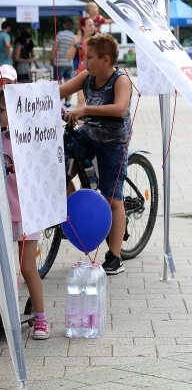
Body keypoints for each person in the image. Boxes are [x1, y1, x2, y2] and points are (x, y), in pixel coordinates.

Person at [59, 34, 131, 275]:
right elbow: (59, 91)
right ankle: (77, 214)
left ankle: (115, 256)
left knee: (113, 199)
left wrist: (85, 109)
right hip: (89, 135)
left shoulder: (120, 80)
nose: (84, 61)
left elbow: (119, 108)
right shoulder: (87, 77)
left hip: (113, 144)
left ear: (106, 59)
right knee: (59, 172)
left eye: (89, 57)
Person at [0, 87, 50, 339]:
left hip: (27, 213)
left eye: (2, 110)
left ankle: (41, 319)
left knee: (27, 268)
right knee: (2, 269)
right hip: (2, 213)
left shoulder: (30, 140)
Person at [66, 16, 96, 107]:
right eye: (90, 25)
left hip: (95, 73)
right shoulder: (77, 40)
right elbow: (69, 57)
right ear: (83, 27)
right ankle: (80, 116)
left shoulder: (97, 39)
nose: (92, 27)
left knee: (94, 101)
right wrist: (77, 43)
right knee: (80, 99)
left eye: (93, 25)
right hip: (81, 72)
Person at [53, 17, 76, 88]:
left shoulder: (60, 34)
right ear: (72, 26)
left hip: (59, 63)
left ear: (64, 25)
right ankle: (68, 96)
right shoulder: (74, 36)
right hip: (69, 63)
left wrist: (51, 58)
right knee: (68, 82)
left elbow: (55, 48)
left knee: (57, 83)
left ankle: (59, 95)